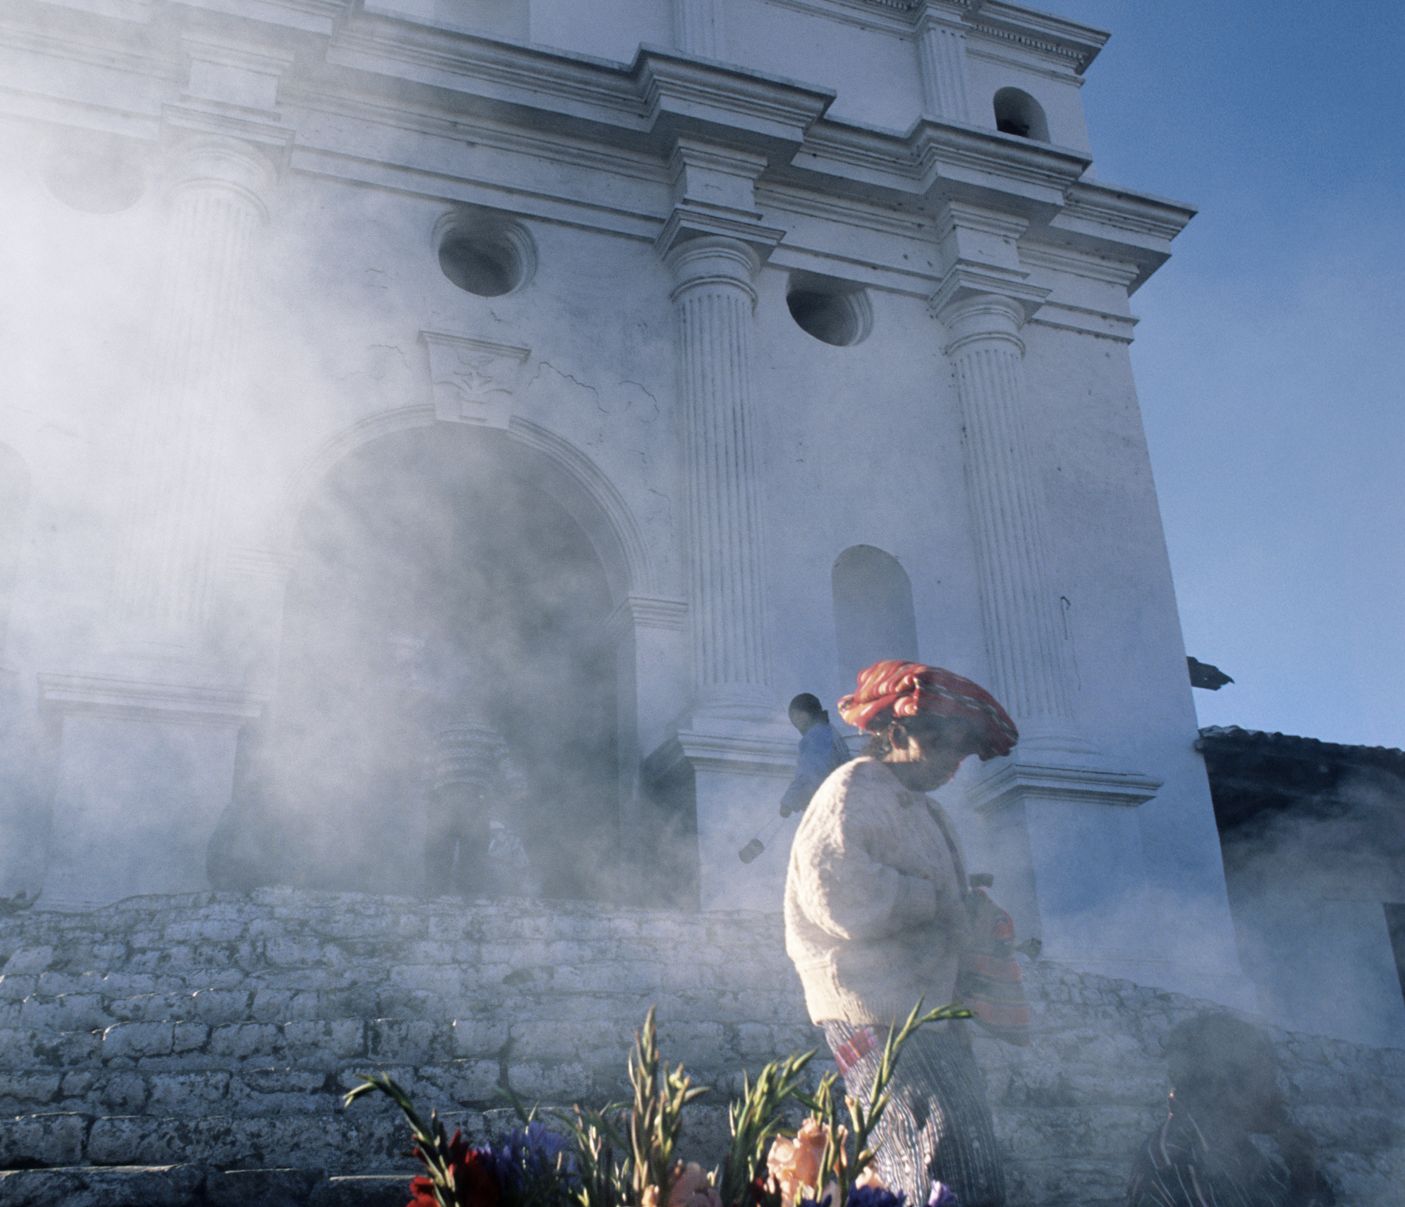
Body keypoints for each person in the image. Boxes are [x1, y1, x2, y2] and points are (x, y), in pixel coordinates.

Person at [784, 659, 1019, 1207]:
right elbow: (836, 890)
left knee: (968, 1159)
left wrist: (966, 909)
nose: (952, 764)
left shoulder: (926, 811)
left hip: (924, 1009)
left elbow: (936, 896)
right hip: (875, 1011)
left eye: (960, 753)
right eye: (940, 746)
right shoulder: (854, 787)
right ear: (894, 734)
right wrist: (934, 901)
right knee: (932, 1159)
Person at [1126, 1013, 1336, 1206]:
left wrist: (1303, 1175)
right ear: (1223, 1088)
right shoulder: (1178, 1166)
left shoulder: (1240, 1152)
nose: (1279, 1097)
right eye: (1267, 1083)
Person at [778, 692, 851, 817]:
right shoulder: (829, 731)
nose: (796, 719)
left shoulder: (816, 736)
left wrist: (789, 802)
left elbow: (811, 773)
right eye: (793, 716)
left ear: (810, 712)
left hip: (827, 804)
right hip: (841, 800)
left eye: (799, 714)